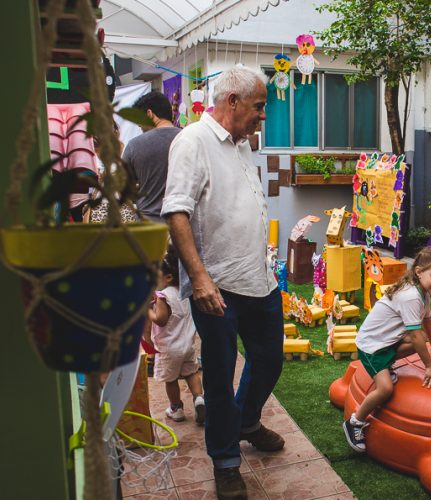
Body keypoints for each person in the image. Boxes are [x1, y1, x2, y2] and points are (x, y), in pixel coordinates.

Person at [161, 66, 282, 499]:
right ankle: (226, 461)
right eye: (259, 106)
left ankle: (247, 420)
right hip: (218, 287)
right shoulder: (193, 141)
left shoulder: (241, 144)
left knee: (269, 360)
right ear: (231, 102)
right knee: (218, 375)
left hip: (259, 279)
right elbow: (177, 211)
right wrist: (199, 278)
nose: (263, 116)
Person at [344, 247, 431, 452]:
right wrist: (429, 366)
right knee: (385, 388)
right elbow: (415, 335)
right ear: (419, 271)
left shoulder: (423, 293)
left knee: (418, 341)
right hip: (372, 347)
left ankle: (388, 366)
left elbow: (428, 322)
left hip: (386, 341)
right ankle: (355, 422)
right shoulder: (411, 295)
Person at [145, 246, 205, 425]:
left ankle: (176, 408)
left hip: (168, 348)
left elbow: (161, 320)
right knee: (191, 373)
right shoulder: (187, 292)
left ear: (168, 277)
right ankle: (199, 399)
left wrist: (148, 310)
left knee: (170, 380)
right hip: (187, 345)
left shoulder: (164, 295)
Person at [123, 91, 181, 224]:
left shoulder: (134, 146)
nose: (139, 126)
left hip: (148, 227)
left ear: (149, 114)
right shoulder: (189, 139)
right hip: (184, 226)